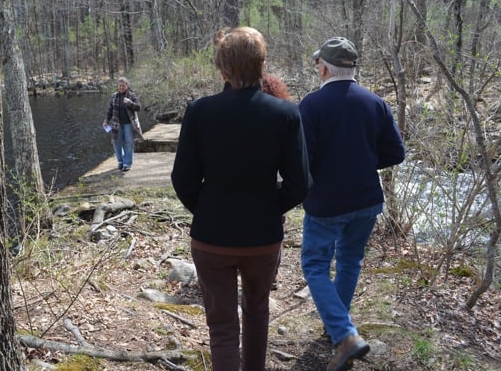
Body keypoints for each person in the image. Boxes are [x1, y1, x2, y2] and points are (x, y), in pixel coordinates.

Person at [171, 26, 312, 371]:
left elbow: (183, 179)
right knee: (256, 312)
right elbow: (300, 183)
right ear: (261, 66)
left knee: (221, 326)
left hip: (211, 236)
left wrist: (206, 208)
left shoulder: (200, 111)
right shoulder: (285, 114)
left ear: (221, 68)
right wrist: (268, 206)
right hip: (262, 238)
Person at [299, 37, 406, 371]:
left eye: (319, 64)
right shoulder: (376, 103)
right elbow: (396, 153)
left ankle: (344, 333)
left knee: (315, 265)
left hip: (327, 202)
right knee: (349, 261)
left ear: (326, 68)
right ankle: (340, 331)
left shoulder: (312, 105)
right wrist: (361, 160)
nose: (318, 68)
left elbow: (304, 160)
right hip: (366, 200)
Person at [260, 73, 292, 290]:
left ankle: (270, 274)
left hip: (266, 182)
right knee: (275, 228)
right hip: (276, 186)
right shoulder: (284, 114)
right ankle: (272, 273)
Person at [102, 77, 142, 172]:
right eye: (119, 86)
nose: (121, 87)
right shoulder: (114, 96)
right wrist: (106, 121)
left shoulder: (132, 96)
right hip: (116, 124)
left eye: (123, 86)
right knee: (116, 143)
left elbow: (138, 107)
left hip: (128, 123)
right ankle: (120, 161)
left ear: (127, 86)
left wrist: (130, 103)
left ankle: (127, 163)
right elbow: (110, 110)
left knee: (129, 143)